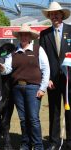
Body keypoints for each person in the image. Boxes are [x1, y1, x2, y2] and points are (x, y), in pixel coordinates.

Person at [0, 24, 50, 150]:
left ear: (30, 37)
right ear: (19, 36)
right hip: (17, 89)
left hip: (33, 88)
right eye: (21, 34)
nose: (23, 36)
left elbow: (46, 69)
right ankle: (25, 145)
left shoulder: (38, 49)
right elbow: (8, 69)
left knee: (33, 119)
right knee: (23, 119)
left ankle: (38, 146)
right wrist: (2, 68)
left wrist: (42, 88)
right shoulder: (13, 52)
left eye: (26, 34)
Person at [39, 1, 71, 150]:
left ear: (62, 15)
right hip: (52, 80)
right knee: (54, 111)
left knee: (69, 110)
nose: (54, 16)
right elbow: (42, 59)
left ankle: (70, 141)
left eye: (57, 14)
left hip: (69, 80)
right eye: (52, 14)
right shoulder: (44, 34)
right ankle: (53, 141)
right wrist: (47, 79)